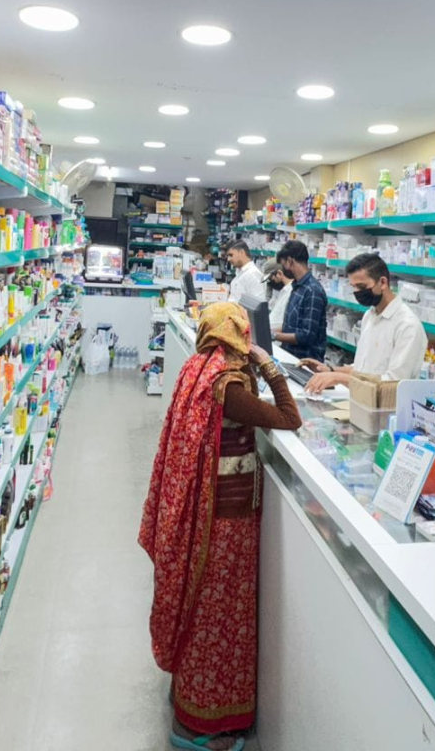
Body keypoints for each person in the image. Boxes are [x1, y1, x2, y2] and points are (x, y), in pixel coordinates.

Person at [140, 303, 301, 751]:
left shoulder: (198, 368)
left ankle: (188, 698)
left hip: (209, 513)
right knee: (220, 615)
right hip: (225, 522)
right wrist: (267, 364)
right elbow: (290, 417)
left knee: (203, 609)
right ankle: (204, 725)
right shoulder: (227, 384)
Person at [302, 253, 428, 392]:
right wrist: (329, 370)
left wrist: (338, 378)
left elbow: (392, 384)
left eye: (362, 287)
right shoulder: (370, 316)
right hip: (361, 399)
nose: (357, 292)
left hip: (387, 405)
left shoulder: (407, 326)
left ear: (383, 283)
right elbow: (362, 369)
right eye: (354, 287)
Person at [274, 239, 328, 362]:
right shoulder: (297, 287)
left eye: (283, 264)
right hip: (290, 356)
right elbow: (290, 327)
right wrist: (267, 331)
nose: (283, 269)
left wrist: (274, 336)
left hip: (305, 362)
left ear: (290, 261)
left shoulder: (312, 291)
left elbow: (306, 336)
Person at [223, 240, 267, 307]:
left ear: (242, 252)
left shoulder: (253, 274)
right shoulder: (240, 273)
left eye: (231, 255)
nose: (228, 259)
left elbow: (258, 305)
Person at [261, 258, 292, 333]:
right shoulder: (282, 291)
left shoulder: (290, 292)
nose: (271, 281)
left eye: (270, 278)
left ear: (279, 273)